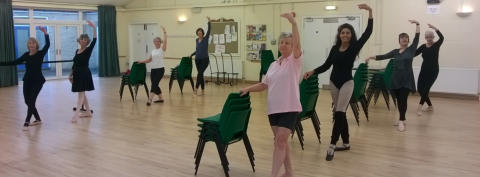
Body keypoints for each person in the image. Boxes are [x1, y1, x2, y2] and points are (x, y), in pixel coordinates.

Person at [304, 4, 373, 161]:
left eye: (348, 33)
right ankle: (346, 142)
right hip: (334, 83)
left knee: (340, 112)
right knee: (339, 113)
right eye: (343, 32)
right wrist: (313, 71)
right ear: (339, 35)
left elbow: (368, 32)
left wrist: (370, 11)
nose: (345, 35)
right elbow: (327, 65)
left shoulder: (355, 47)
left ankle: (332, 145)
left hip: (347, 83)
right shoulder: (335, 49)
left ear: (351, 35)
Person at [240, 12, 301, 177]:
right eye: (282, 42)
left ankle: (273, 174)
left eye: (288, 43)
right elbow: (264, 84)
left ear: (293, 45)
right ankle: (289, 172)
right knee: (281, 142)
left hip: (289, 107)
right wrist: (248, 89)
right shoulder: (274, 64)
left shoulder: (294, 61)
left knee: (280, 142)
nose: (284, 45)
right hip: (273, 109)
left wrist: (293, 23)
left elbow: (297, 45)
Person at [365, 20, 421, 132]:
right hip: (395, 79)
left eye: (406, 38)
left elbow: (417, 37)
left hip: (406, 80)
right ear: (399, 40)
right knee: (399, 100)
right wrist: (371, 57)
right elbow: (384, 56)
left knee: (403, 100)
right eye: (402, 38)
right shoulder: (395, 51)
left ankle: (401, 121)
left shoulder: (411, 49)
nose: (404, 39)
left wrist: (417, 25)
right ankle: (402, 119)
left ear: (408, 40)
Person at [0, 26, 49, 130]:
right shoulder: (26, 55)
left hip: (38, 81)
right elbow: (14, 62)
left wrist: (45, 33)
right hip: (27, 80)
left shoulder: (40, 54)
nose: (31, 45)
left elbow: (47, 45)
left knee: (31, 101)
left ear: (36, 45)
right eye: (29, 43)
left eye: (33, 43)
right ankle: (38, 119)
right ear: (28, 45)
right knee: (27, 101)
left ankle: (27, 121)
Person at [70, 21, 97, 123]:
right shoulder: (76, 51)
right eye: (82, 39)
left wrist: (94, 27)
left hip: (84, 73)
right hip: (77, 73)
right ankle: (88, 112)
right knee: (82, 93)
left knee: (81, 94)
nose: (83, 40)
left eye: (85, 39)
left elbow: (95, 40)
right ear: (79, 40)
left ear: (87, 41)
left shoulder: (88, 50)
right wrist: (70, 74)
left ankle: (76, 115)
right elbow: (74, 64)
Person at [414, 24, 444, 115]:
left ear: (433, 37)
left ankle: (419, 108)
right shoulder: (423, 46)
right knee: (420, 89)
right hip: (424, 70)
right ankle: (430, 106)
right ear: (425, 37)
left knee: (426, 88)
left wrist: (435, 28)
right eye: (427, 37)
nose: (428, 38)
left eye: (430, 37)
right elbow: (414, 54)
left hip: (433, 71)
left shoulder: (436, 45)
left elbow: (442, 37)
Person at [137, 26, 167, 106]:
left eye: (158, 41)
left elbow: (166, 41)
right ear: (154, 42)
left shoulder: (162, 49)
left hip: (160, 69)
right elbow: (150, 60)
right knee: (154, 84)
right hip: (153, 70)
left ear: (160, 42)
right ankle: (161, 98)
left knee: (154, 84)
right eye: (155, 41)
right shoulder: (153, 51)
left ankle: (150, 99)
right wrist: (142, 62)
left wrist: (164, 32)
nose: (157, 42)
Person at [190, 16, 211, 96]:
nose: (199, 33)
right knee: (200, 74)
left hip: (205, 60)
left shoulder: (205, 39)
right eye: (198, 32)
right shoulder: (196, 40)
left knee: (199, 74)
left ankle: (195, 89)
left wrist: (209, 22)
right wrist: (192, 54)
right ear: (197, 33)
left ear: (203, 33)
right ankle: (203, 90)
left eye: (200, 32)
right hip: (197, 60)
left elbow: (209, 30)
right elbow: (197, 50)